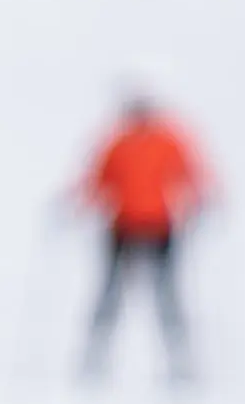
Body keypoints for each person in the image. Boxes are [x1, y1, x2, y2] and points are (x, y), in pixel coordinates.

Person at [78, 85, 216, 386]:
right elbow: (98, 180)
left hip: (159, 226)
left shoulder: (167, 140)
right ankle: (94, 358)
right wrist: (77, 204)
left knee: (166, 296)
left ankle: (180, 362)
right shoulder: (118, 142)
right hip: (123, 226)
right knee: (111, 294)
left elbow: (190, 173)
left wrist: (202, 199)